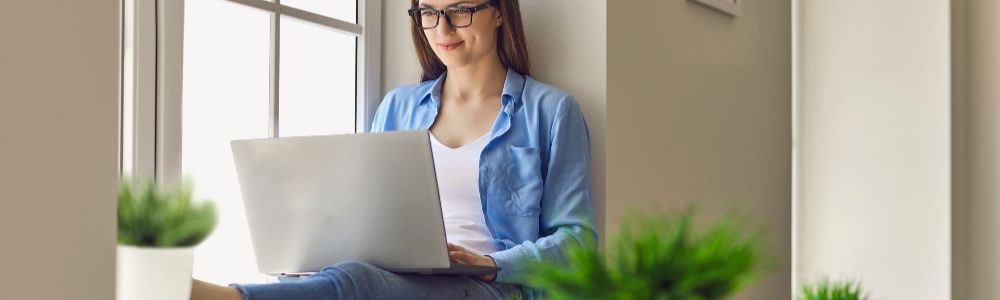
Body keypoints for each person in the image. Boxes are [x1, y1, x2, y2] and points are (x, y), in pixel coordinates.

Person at [191, 0, 596, 298]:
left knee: (357, 283)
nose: (442, 30)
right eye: (428, 13)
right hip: (392, 275)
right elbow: (363, 212)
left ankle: (227, 297)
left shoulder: (551, 111)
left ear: (499, 11)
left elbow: (577, 243)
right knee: (338, 276)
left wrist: (490, 264)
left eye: (459, 11)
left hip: (490, 286)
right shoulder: (398, 107)